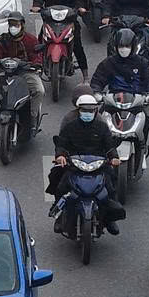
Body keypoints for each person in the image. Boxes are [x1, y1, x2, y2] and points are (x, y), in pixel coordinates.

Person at [47, 95, 124, 234]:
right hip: (74, 165)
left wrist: (114, 158)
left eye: (91, 110)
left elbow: (110, 146)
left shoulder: (102, 127)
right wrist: (61, 156)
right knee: (59, 184)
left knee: (111, 186)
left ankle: (110, 219)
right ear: (78, 110)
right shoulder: (70, 127)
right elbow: (62, 144)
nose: (88, 113)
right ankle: (59, 215)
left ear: (95, 111)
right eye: (84, 110)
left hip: (98, 165)